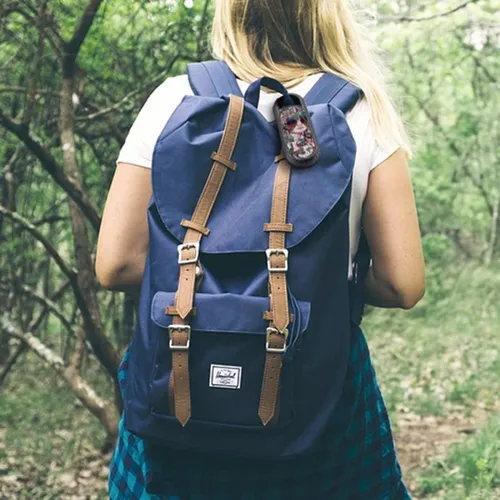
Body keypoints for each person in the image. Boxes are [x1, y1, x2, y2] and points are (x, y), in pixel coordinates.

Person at [96, 0, 426, 498]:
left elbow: (116, 264)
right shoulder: (362, 112)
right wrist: (324, 284)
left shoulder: (173, 100)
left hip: (181, 379)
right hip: (315, 390)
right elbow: (403, 284)